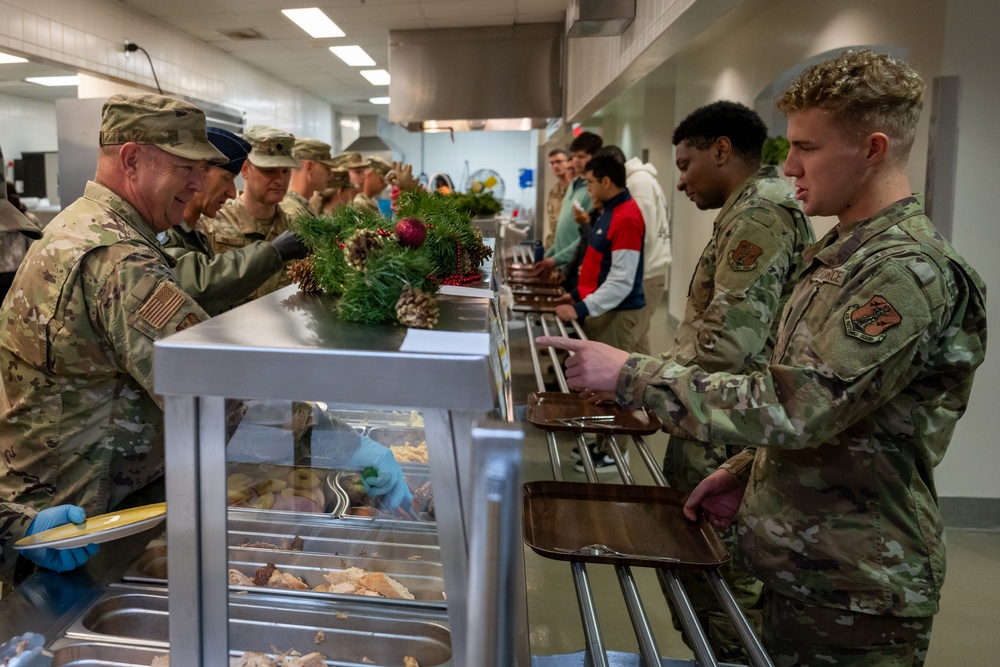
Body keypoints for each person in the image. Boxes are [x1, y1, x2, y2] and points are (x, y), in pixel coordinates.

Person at [539, 50, 987, 666]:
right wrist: (749, 470)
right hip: (802, 559)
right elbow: (835, 406)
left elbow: (802, 406)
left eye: (806, 147)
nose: (790, 164)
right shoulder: (843, 254)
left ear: (873, 149)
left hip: (855, 586)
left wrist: (632, 375)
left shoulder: (904, 273)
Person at [0, 96, 411, 587]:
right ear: (131, 159)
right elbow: (215, 392)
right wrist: (345, 446)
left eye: (202, 169)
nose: (200, 183)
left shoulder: (88, 227)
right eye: (186, 168)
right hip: (67, 530)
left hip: (87, 509)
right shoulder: (117, 259)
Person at [666, 100, 816, 661]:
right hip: (717, 419)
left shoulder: (760, 215)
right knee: (706, 585)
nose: (681, 181)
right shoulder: (748, 210)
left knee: (722, 585)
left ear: (722, 150)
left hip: (725, 429)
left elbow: (730, 346)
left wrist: (651, 385)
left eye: (686, 165)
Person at [161, 127, 308, 316]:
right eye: (226, 178)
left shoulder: (193, 234)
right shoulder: (196, 226)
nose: (232, 192)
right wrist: (274, 252)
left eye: (285, 171)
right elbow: (196, 282)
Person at [204, 125, 299, 301]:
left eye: (286, 171)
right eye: (269, 171)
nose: (280, 180)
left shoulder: (295, 230)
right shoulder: (211, 223)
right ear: (245, 170)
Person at [533, 132, 601, 283]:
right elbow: (562, 231)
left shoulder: (593, 190)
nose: (576, 160)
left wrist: (555, 259)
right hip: (562, 263)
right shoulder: (573, 184)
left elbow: (586, 237)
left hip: (577, 264)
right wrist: (548, 256)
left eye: (581, 156)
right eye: (574, 156)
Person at [623, 153, 672, 356]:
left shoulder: (639, 183)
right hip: (650, 273)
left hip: (646, 274)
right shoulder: (643, 180)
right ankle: (646, 377)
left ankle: (628, 378)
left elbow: (643, 235)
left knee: (628, 340)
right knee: (639, 339)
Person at [0, 165, 42, 302]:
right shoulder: (28, 220)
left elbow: (37, 249)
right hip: (21, 277)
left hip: (20, 277)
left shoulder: (28, 221)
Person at [281, 138, 338, 221]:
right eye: (327, 168)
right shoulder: (293, 212)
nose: (331, 174)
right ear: (310, 167)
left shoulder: (300, 206)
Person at [543, 149, 571, 249]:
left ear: (569, 162)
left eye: (559, 161)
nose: (555, 166)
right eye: (551, 163)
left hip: (570, 244)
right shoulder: (553, 191)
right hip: (554, 244)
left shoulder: (575, 189)